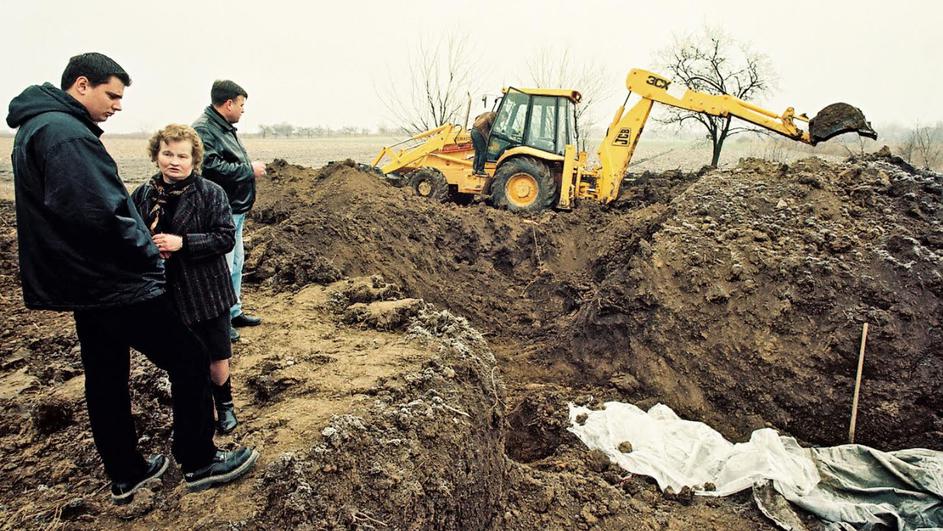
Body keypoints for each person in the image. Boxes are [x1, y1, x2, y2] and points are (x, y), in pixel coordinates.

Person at [6, 52, 258, 504]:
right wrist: (147, 254)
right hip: (111, 281)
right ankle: (199, 460)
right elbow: (100, 214)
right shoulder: (66, 136)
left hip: (82, 283)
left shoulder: (36, 129)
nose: (118, 106)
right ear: (82, 85)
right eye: (112, 95)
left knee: (104, 376)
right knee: (188, 356)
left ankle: (126, 473)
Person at [131, 124, 241, 435]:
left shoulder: (211, 193)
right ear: (156, 155)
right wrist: (149, 249)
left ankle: (225, 405)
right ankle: (197, 411)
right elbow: (132, 235)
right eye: (167, 153)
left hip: (207, 291)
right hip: (167, 294)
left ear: (194, 159)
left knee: (217, 355)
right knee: (185, 360)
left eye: (182, 155)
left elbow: (224, 238)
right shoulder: (143, 195)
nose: (174, 161)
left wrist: (184, 244)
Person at [192, 80, 266, 342]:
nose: (243, 110)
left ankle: (233, 311)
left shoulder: (223, 127)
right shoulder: (204, 129)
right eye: (242, 104)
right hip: (221, 210)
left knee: (236, 263)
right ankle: (220, 320)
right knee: (222, 266)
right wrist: (249, 170)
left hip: (236, 208)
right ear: (228, 103)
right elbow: (210, 168)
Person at [470, 111, 496, 175]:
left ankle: (475, 169)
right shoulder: (492, 115)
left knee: (477, 152)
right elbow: (491, 126)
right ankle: (480, 170)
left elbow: (477, 117)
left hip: (473, 130)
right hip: (479, 132)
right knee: (483, 151)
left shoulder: (486, 113)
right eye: (504, 119)